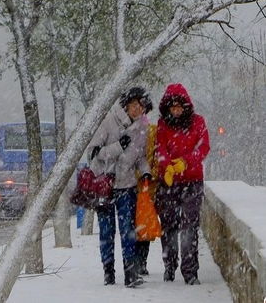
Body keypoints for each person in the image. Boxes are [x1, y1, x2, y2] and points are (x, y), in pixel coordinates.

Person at [88, 86, 153, 288]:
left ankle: (130, 273)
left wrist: (145, 171)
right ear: (126, 104)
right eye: (134, 105)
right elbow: (94, 153)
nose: (137, 110)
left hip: (127, 185)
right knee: (107, 231)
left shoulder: (142, 128)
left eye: (141, 107)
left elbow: (140, 156)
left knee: (128, 230)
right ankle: (109, 272)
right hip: (105, 184)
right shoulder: (108, 121)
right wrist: (119, 146)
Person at [155, 83, 210, 285]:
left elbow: (203, 147)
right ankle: (169, 265)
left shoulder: (198, 122)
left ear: (186, 106)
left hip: (192, 182)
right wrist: (167, 167)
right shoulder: (163, 125)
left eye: (179, 106)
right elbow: (159, 149)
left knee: (189, 227)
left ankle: (190, 271)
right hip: (168, 183)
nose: (176, 110)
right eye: (172, 107)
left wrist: (185, 162)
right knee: (168, 226)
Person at [135, 122, 158, 276]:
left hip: (147, 188)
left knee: (144, 228)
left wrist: (150, 174)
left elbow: (158, 158)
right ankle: (137, 262)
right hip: (133, 187)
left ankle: (141, 262)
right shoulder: (129, 132)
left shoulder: (153, 132)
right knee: (135, 227)